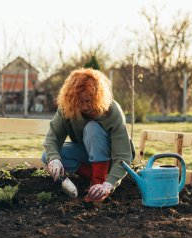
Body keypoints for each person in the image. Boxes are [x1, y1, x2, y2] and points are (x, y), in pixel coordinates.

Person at [41, 68, 134, 202]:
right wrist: (54, 159)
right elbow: (52, 139)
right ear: (72, 99)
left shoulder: (112, 111)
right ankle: (93, 175)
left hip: (112, 158)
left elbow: (123, 155)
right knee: (48, 156)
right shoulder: (67, 109)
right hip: (88, 154)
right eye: (80, 102)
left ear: (98, 96)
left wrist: (109, 184)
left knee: (92, 128)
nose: (84, 107)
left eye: (89, 101)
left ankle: (99, 182)